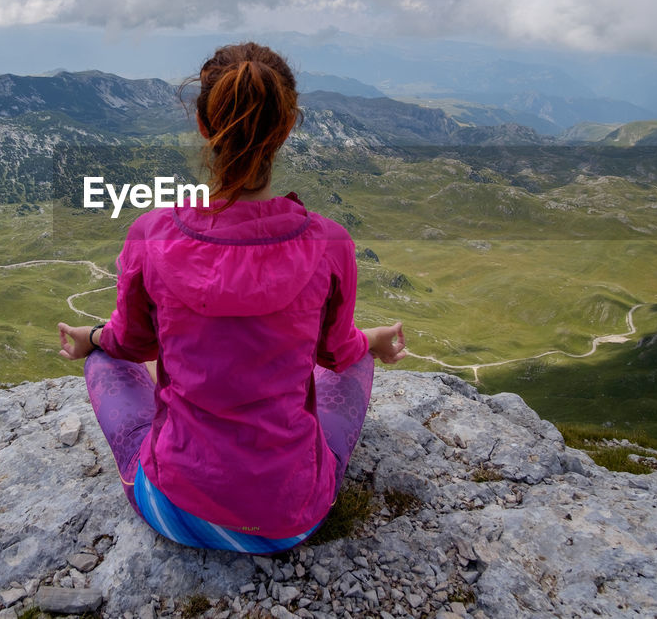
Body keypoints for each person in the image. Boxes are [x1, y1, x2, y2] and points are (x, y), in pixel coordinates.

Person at [57, 42, 406, 554]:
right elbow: (333, 355)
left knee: (104, 359)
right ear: (286, 129)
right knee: (357, 360)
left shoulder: (153, 233)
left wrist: (90, 339)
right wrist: (371, 341)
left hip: (175, 510)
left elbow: (131, 343)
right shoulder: (330, 242)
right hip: (292, 516)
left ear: (203, 126)